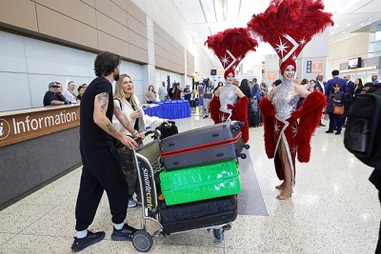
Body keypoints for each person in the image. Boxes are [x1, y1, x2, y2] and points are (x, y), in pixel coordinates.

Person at [248, 0, 332, 200]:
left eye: (293, 69)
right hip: (277, 126)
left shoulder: (296, 87)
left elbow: (318, 99)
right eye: (287, 69)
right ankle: (286, 181)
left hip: (290, 126)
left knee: (287, 156)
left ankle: (290, 188)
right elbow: (266, 105)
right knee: (280, 156)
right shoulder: (276, 87)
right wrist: (267, 101)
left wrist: (300, 113)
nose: (290, 72)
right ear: (282, 70)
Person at [71, 51, 144, 252]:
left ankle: (81, 235)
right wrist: (123, 138)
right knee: (119, 185)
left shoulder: (97, 86)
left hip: (88, 147)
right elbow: (100, 118)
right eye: (118, 66)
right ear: (114, 68)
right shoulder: (103, 85)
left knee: (90, 188)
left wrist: (135, 132)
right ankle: (119, 229)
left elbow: (118, 114)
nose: (120, 70)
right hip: (100, 148)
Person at [113, 74, 168, 208]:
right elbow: (114, 126)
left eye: (130, 82)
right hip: (124, 142)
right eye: (125, 83)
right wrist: (130, 117)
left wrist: (161, 120)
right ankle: (127, 197)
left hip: (138, 140)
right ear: (120, 86)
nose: (129, 85)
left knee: (140, 169)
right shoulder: (116, 102)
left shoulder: (135, 100)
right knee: (129, 172)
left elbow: (145, 118)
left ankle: (141, 195)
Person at [205, 27, 257, 144]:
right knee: (222, 140)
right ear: (225, 77)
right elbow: (214, 102)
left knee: (231, 139)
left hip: (231, 117)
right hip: (221, 117)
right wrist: (215, 110)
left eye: (232, 76)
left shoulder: (235, 88)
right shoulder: (220, 88)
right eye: (228, 76)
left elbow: (244, 100)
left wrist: (235, 108)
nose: (230, 78)